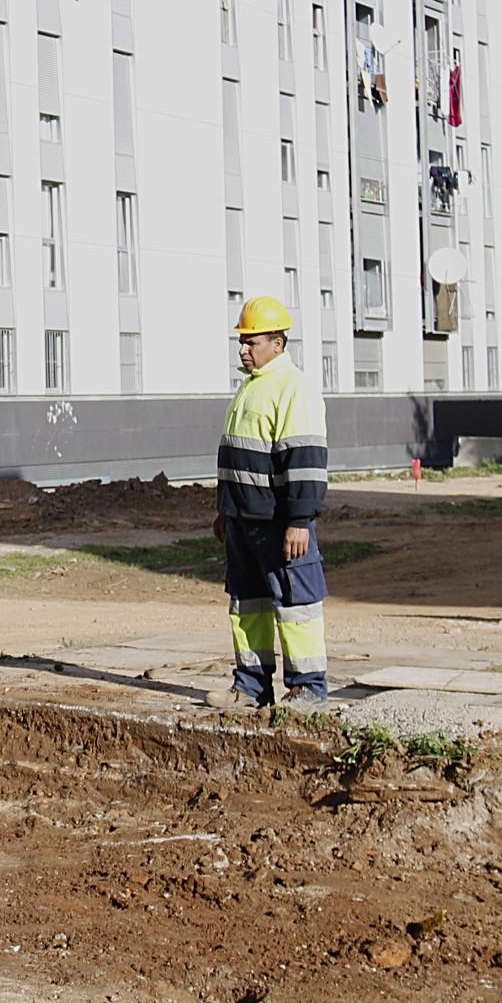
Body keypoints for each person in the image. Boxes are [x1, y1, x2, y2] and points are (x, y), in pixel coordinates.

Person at [208, 296, 331, 709]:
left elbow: (305, 460)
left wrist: (300, 520)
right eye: (241, 342)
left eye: (251, 341)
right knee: (247, 606)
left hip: (279, 522)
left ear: (277, 343)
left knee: (297, 606)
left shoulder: (293, 387)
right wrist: (225, 510)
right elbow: (238, 456)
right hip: (244, 520)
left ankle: (308, 688)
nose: (243, 349)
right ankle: (250, 686)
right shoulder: (251, 387)